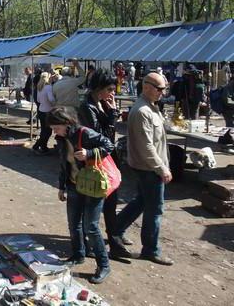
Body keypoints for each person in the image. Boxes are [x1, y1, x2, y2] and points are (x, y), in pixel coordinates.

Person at [111, 73, 174, 265]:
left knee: (141, 202)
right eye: (159, 89)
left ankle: (115, 230)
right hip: (148, 168)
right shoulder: (142, 111)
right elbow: (146, 146)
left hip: (148, 166)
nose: (162, 93)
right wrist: (161, 168)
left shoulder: (150, 107)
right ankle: (150, 249)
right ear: (146, 86)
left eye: (164, 89)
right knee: (155, 209)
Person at [51, 106, 114, 284]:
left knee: (91, 226)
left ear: (66, 123)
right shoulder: (62, 139)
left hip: (93, 185)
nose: (54, 131)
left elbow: (109, 145)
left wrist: (90, 153)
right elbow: (64, 164)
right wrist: (61, 187)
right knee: (74, 223)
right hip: (73, 185)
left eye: (56, 127)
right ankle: (78, 255)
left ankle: (104, 265)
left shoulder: (85, 133)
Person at [78, 69, 133, 258]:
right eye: (110, 88)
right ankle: (90, 243)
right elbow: (99, 137)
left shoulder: (100, 104)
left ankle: (115, 241)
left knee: (111, 203)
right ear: (99, 88)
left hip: (107, 160)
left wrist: (110, 113)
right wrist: (112, 116)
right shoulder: (87, 106)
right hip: (94, 161)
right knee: (94, 204)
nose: (113, 93)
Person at [33, 72, 54, 154]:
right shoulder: (48, 87)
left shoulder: (39, 87)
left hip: (41, 110)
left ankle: (43, 147)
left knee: (44, 131)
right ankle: (37, 146)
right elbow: (51, 99)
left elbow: (38, 100)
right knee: (48, 132)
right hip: (47, 111)